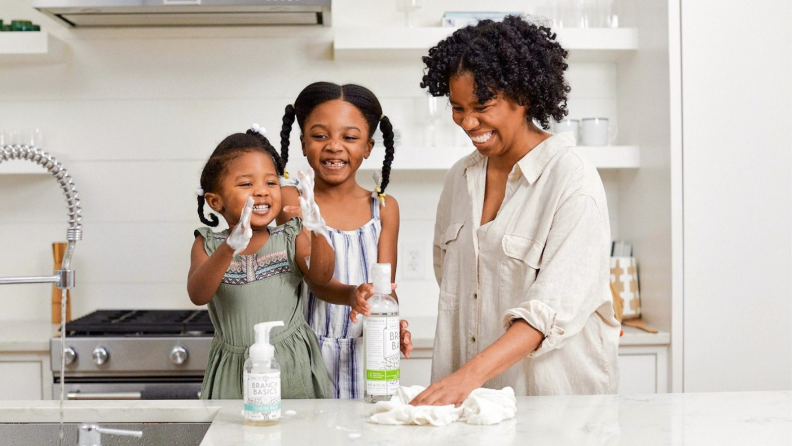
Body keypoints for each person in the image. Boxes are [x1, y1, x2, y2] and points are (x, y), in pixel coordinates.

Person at [411, 16, 620, 406]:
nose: (468, 122)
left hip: (556, 410)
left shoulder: (572, 180)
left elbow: (549, 311)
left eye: (482, 106)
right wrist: (463, 386)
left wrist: (466, 379)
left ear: (523, 96)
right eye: (457, 108)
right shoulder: (460, 178)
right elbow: (454, 281)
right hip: (475, 407)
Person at [277, 82, 413, 399]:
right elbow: (314, 277)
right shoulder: (290, 199)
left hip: (367, 357)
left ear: (367, 146)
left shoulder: (384, 208)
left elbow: (383, 291)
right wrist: (352, 294)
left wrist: (393, 327)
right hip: (306, 355)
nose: (334, 146)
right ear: (302, 143)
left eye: (349, 137)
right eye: (320, 135)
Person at [187, 125, 334, 399]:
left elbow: (322, 276)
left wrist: (318, 231)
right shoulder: (208, 244)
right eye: (246, 184)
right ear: (215, 201)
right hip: (232, 372)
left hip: (292, 367)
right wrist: (228, 248)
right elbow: (198, 294)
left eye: (270, 182)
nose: (262, 192)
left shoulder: (291, 236)